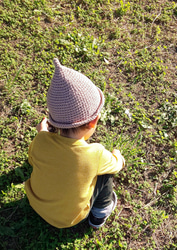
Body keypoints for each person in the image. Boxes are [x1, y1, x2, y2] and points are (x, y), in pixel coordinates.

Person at [25, 58, 125, 229]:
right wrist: (118, 155)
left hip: (36, 203)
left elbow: (32, 159)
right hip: (68, 219)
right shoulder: (96, 154)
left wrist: (42, 133)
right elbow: (117, 165)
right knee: (106, 175)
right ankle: (99, 214)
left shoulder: (40, 139)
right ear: (93, 122)